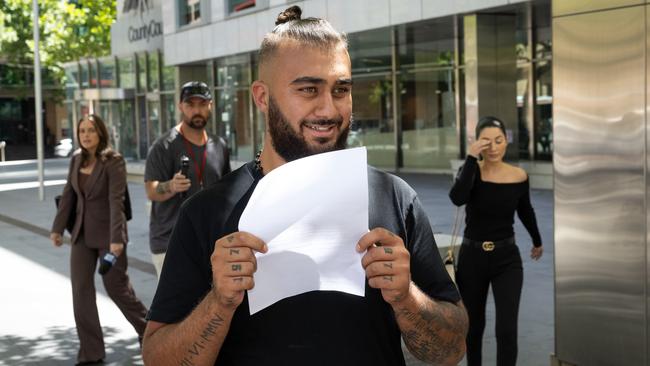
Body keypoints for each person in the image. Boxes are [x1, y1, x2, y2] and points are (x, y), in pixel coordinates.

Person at [142, 6, 467, 366]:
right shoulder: (207, 212)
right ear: (263, 97)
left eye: (341, 89)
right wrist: (218, 302)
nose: (328, 109)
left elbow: (450, 351)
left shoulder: (394, 198)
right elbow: (159, 358)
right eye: (308, 89)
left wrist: (406, 297)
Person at [50, 114, 148, 365]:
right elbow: (69, 195)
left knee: (117, 288)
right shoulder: (75, 159)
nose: (85, 135)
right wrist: (58, 229)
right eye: (82, 130)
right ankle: (91, 351)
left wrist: (117, 239)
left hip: (109, 236)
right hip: (81, 234)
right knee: (81, 291)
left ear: (100, 133)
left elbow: (117, 201)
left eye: (91, 130)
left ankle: (148, 330)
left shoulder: (113, 161)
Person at [449, 116, 544, 366]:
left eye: (498, 141)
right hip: (473, 257)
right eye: (486, 141)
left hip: (507, 258)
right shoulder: (470, 172)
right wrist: (471, 158)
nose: (493, 147)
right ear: (477, 143)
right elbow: (457, 198)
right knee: (474, 326)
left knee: (506, 329)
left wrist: (537, 240)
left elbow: (526, 210)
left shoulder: (519, 175)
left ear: (506, 142)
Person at [144, 81, 231, 277]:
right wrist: (171, 186)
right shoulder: (164, 146)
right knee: (176, 308)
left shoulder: (219, 145)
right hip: (170, 243)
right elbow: (151, 190)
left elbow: (227, 191)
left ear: (210, 105)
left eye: (202, 104)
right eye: (190, 105)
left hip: (210, 243)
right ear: (181, 106)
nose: (196, 110)